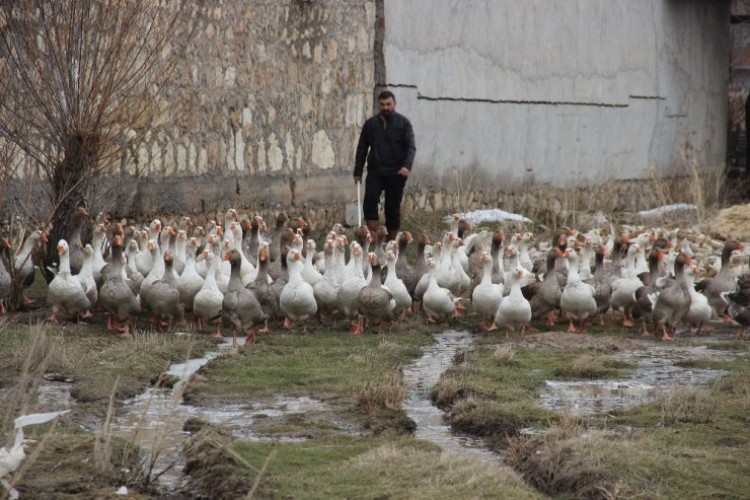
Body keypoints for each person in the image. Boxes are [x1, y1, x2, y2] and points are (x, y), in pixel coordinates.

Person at [353, 90, 416, 243]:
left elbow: (411, 147)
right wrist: (358, 171)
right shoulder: (371, 125)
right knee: (370, 200)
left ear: (394, 104)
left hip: (397, 173)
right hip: (376, 171)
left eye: (389, 104)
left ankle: (391, 242)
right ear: (378, 105)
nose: (386, 107)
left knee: (392, 208)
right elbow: (362, 148)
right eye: (382, 104)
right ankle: (373, 237)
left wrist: (406, 166)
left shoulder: (404, 124)